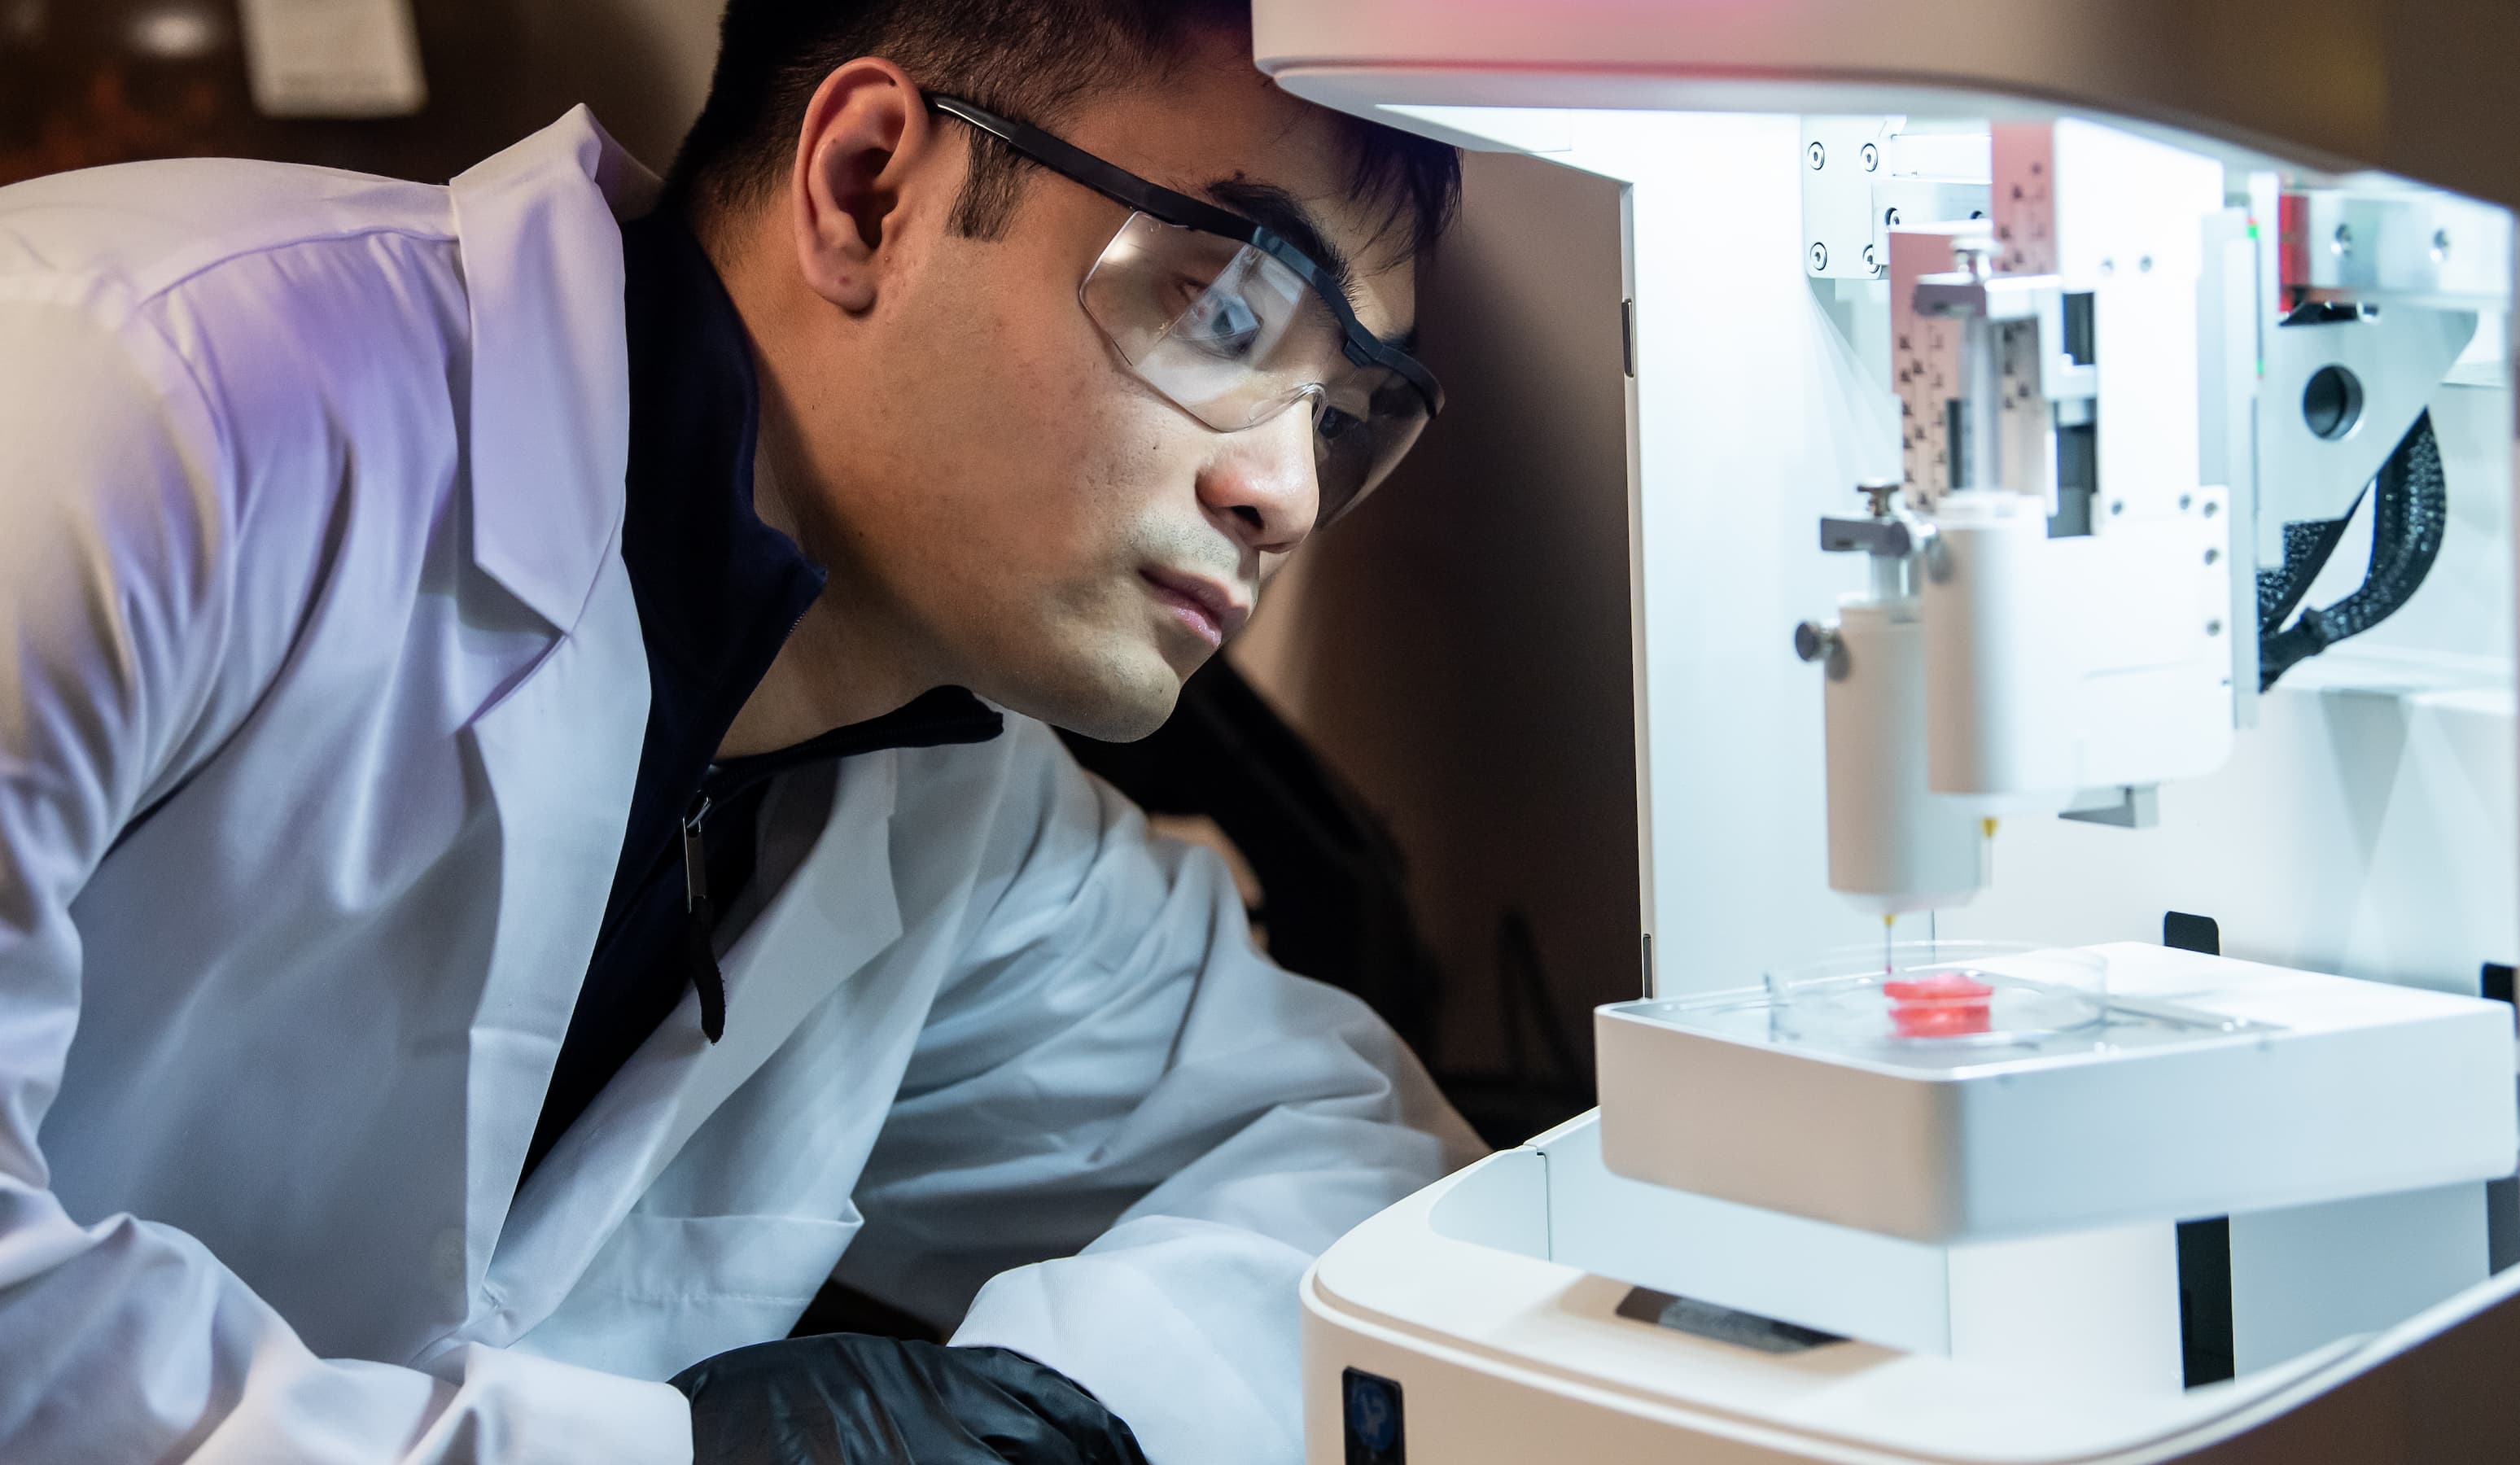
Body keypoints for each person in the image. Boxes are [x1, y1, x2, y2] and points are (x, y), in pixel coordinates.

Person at [0, 1, 1481, 1460]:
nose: (1284, 489)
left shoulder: (951, 809)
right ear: (868, 191)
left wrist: (1034, 1419)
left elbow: (1382, 1186)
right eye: (1228, 309)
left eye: (1348, 406)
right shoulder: (139, 401)